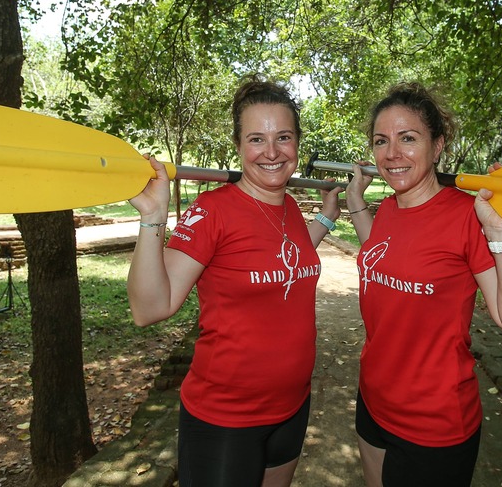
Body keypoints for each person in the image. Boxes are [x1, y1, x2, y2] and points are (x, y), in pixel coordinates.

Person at [126, 76, 343, 487]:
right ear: (239, 146)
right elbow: (149, 307)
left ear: (297, 142)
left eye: (283, 137)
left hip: (293, 407)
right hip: (226, 418)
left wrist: (327, 218)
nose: (273, 152)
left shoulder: (291, 208)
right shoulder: (213, 211)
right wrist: (153, 218)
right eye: (257, 140)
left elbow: (288, 261)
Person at [344, 82, 502, 487]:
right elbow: (381, 252)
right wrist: (354, 201)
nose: (392, 154)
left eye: (408, 139)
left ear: (437, 146)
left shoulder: (465, 217)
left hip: (433, 424)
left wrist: (498, 231)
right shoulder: (386, 209)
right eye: (381, 141)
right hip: (373, 399)